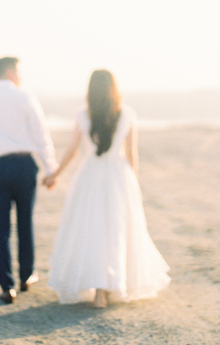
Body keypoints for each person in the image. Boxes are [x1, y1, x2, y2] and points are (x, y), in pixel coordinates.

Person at [44, 69, 170, 308]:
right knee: (117, 230)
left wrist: (54, 175)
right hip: (118, 175)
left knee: (90, 229)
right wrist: (133, 182)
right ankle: (109, 286)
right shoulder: (126, 114)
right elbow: (132, 152)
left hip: (90, 175)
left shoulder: (83, 115)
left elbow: (71, 150)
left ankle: (99, 290)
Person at [0, 57, 58, 304]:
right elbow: (41, 136)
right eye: (19, 71)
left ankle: (7, 285)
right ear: (10, 72)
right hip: (23, 165)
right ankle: (26, 276)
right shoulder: (25, 98)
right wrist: (51, 168)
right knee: (25, 221)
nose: (21, 75)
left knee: (0, 228)